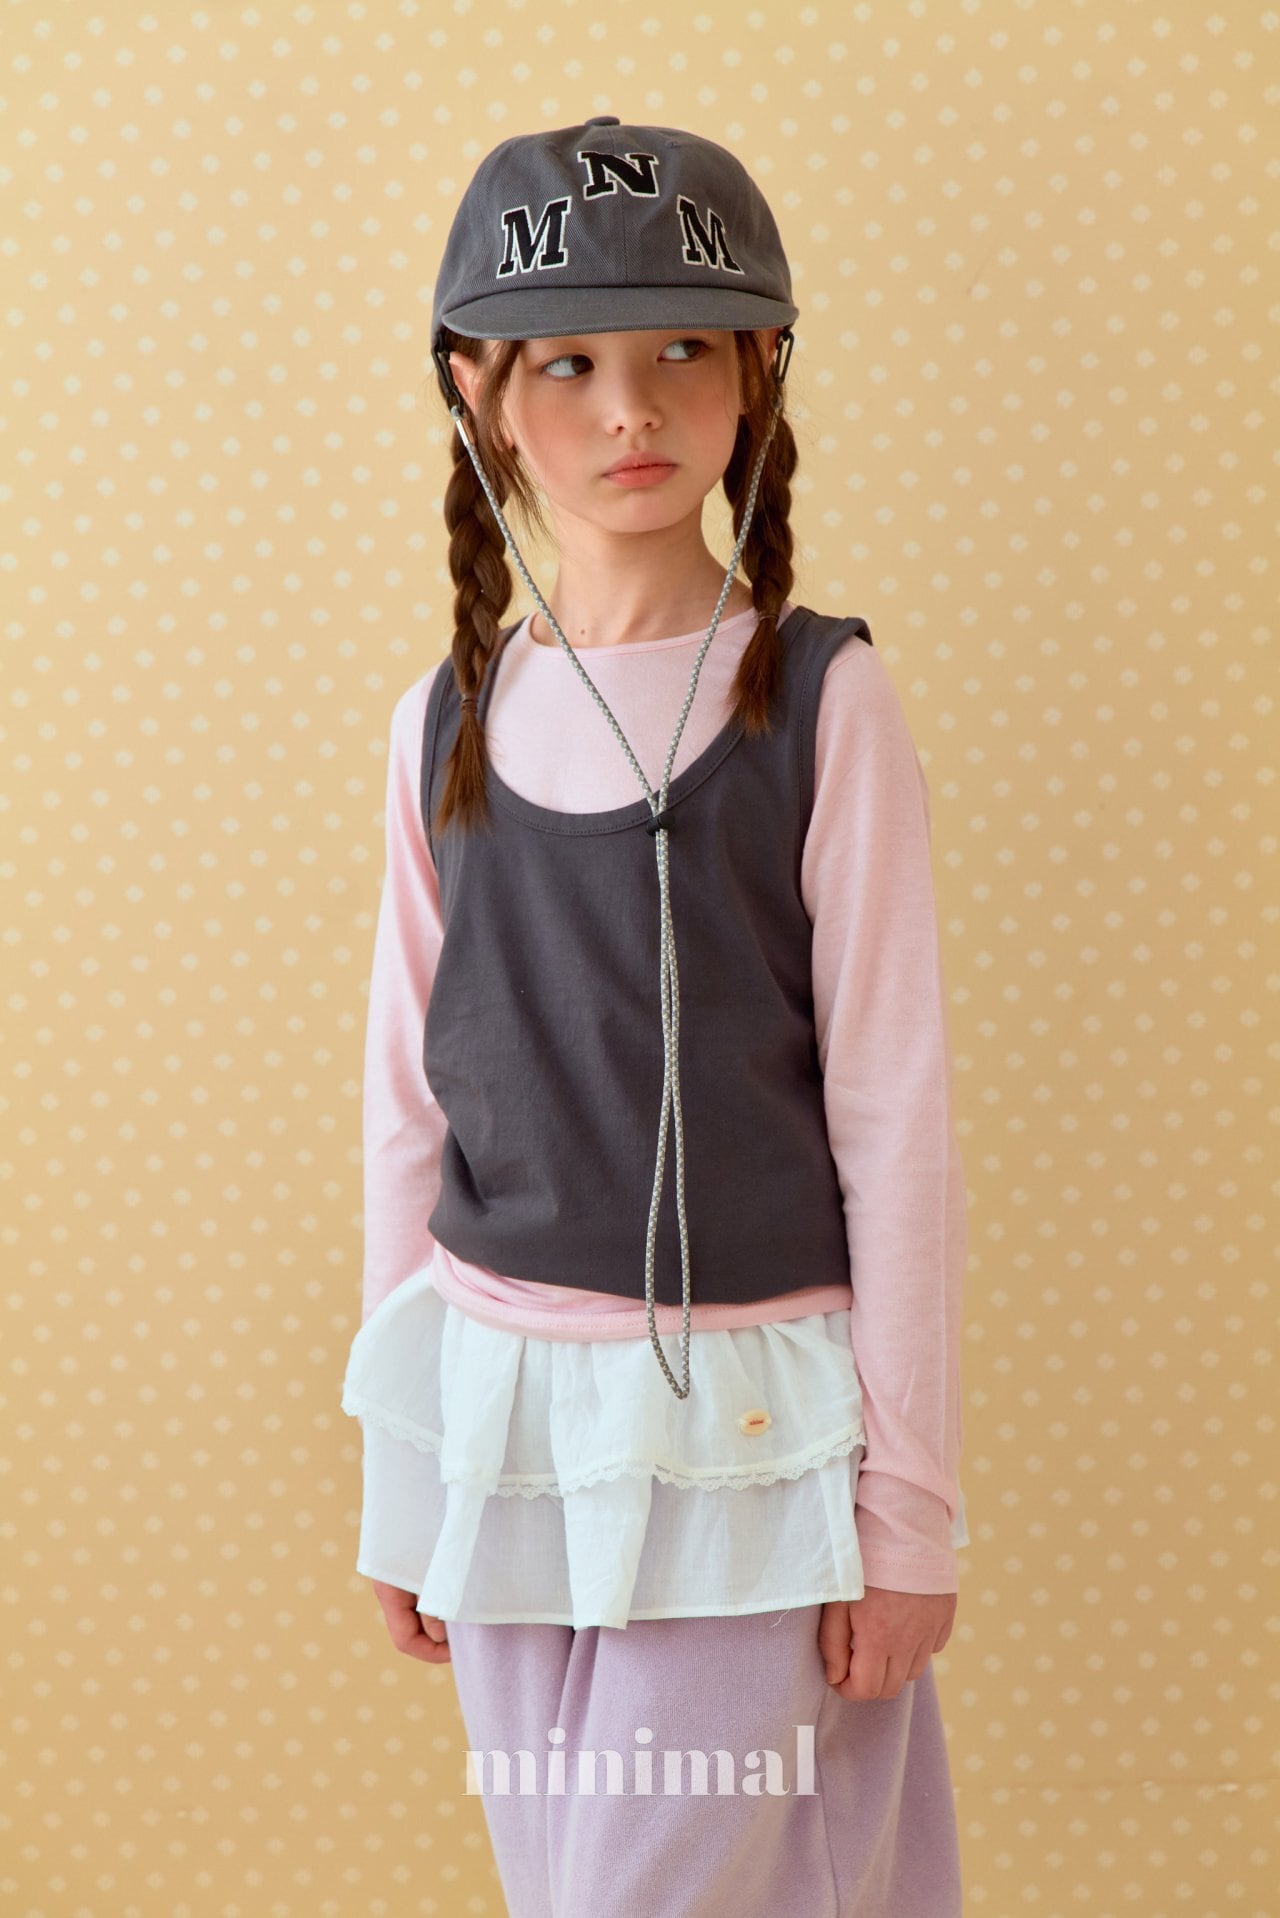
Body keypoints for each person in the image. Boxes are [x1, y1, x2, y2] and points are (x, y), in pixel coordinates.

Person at [340, 115, 970, 1917]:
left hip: (746, 1431)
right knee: (564, 1887)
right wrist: (406, 1476)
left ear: (756, 369)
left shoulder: (820, 702)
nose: (632, 409)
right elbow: (408, 1108)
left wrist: (909, 1507)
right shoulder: (442, 728)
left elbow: (896, 1122)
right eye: (569, 364)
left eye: (683, 348)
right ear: (479, 394)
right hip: (507, 1423)